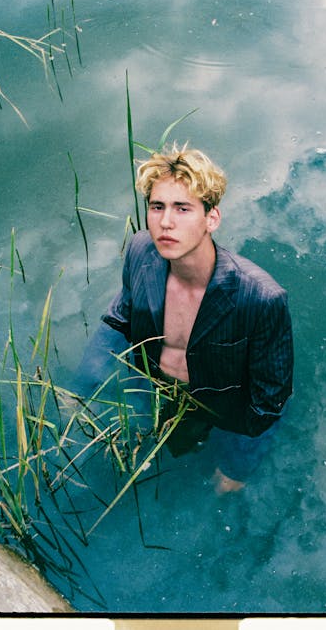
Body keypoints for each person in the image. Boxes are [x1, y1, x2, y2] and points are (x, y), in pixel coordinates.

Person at [78, 144, 293, 493]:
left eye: (182, 209)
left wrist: (238, 467)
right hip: (152, 388)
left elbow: (269, 401)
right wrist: (81, 387)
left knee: (199, 484)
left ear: (212, 218)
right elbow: (118, 320)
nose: (165, 222)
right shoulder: (139, 251)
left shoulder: (260, 298)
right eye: (157, 207)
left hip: (219, 408)